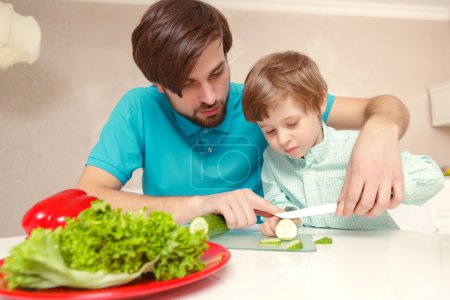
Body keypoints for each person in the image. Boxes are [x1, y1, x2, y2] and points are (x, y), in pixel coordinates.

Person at [76, 0, 410, 229]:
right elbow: (84, 199)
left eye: (217, 72)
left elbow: (384, 106)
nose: (209, 96)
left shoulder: (259, 101)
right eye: (187, 84)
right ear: (159, 85)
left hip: (268, 256)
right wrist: (196, 206)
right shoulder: (138, 108)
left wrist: (380, 132)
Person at [241, 51, 445, 235]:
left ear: (320, 103)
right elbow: (278, 203)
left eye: (292, 123)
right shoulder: (272, 159)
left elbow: (433, 178)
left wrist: (387, 187)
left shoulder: (361, 148)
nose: (282, 139)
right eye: (269, 131)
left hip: (376, 256)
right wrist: (281, 219)